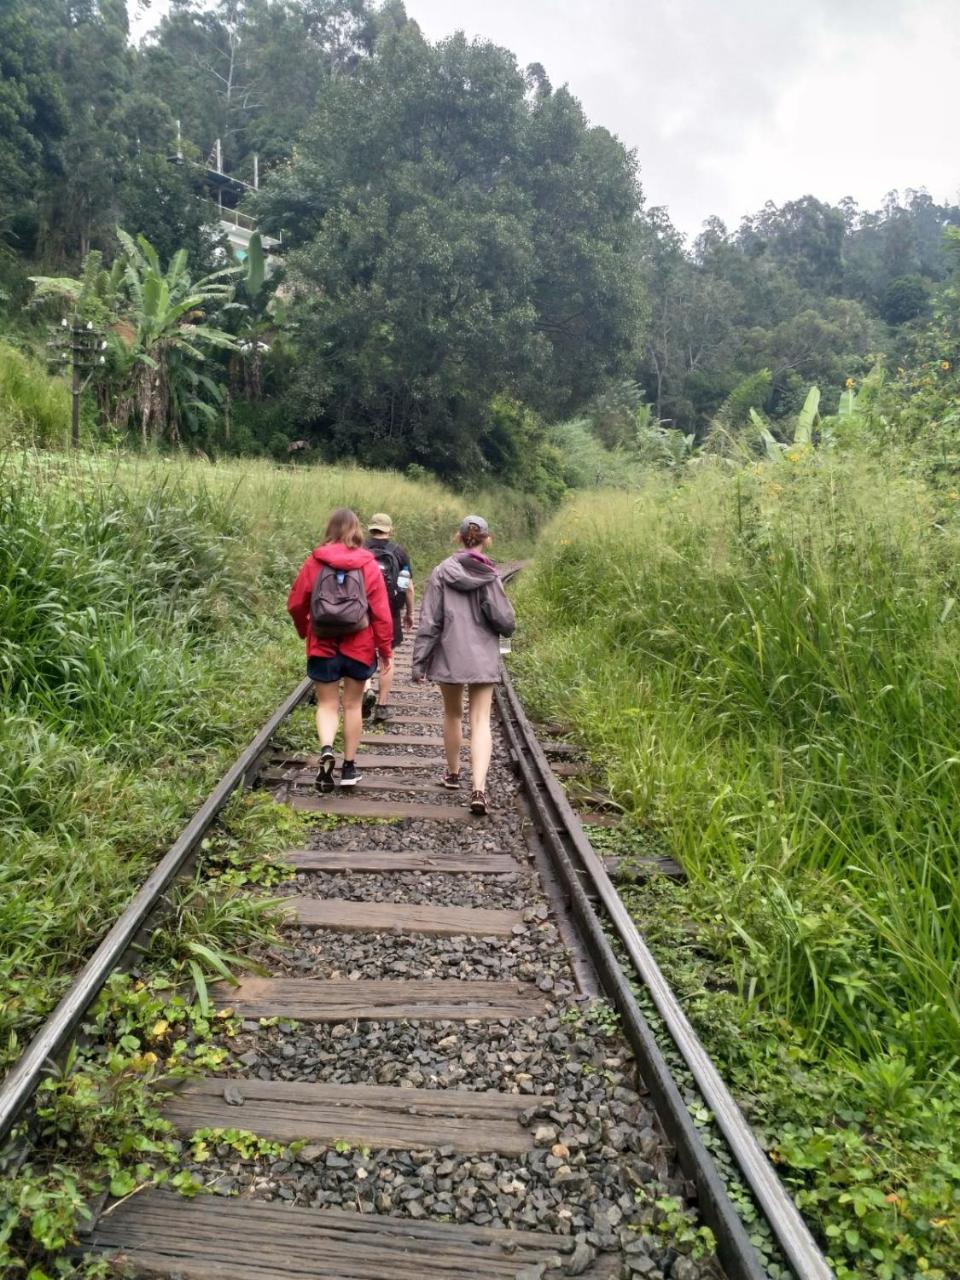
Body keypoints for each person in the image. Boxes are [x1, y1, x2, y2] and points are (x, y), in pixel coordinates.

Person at [412, 515, 515, 815]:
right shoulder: (490, 574)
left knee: (452, 713)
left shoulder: (442, 572)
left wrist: (420, 661)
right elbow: (505, 620)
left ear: (459, 538)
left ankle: (454, 774)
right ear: (487, 539)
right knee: (480, 720)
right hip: (482, 656)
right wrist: (505, 636)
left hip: (450, 654)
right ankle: (479, 789)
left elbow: (430, 620)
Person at [287, 508, 394, 792]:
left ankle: (325, 749)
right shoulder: (367, 564)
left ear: (330, 529)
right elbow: (381, 613)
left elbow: (296, 603)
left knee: (326, 704)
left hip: (323, 644)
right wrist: (385, 650)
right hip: (359, 645)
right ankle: (348, 766)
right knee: (353, 705)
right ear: (357, 531)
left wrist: (304, 630)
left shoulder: (315, 562)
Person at [362, 513, 414, 724]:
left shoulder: (360, 549)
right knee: (387, 656)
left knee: (363, 653)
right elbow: (407, 586)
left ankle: (367, 689)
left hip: (362, 611)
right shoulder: (399, 552)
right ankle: (382, 706)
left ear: (370, 528)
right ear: (389, 530)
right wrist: (408, 613)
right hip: (389, 612)